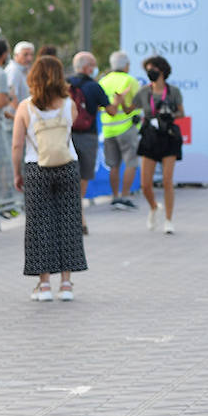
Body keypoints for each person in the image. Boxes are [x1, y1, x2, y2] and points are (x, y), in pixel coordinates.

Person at [12, 55, 87, 301]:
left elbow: (17, 145)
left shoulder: (25, 107)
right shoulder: (69, 104)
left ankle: (44, 285)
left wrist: (17, 173)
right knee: (68, 222)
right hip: (67, 165)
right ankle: (66, 284)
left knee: (39, 225)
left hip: (36, 168)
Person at [133, 55, 186, 234]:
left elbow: (181, 113)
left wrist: (169, 114)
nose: (150, 73)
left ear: (162, 70)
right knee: (146, 184)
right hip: (150, 137)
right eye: (148, 70)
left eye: (153, 69)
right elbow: (129, 108)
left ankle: (169, 220)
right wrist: (120, 102)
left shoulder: (173, 92)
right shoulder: (143, 92)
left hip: (168, 137)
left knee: (167, 180)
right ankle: (154, 206)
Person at [66, 52, 112, 231]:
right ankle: (79, 216)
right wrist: (119, 101)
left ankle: (75, 216)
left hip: (67, 135)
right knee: (83, 176)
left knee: (69, 176)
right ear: (87, 67)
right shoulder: (94, 86)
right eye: (93, 65)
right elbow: (112, 111)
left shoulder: (65, 84)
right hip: (87, 135)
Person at [99, 50, 142, 210]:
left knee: (113, 165)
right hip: (126, 127)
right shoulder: (130, 80)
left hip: (108, 129)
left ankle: (115, 197)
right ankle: (124, 196)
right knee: (131, 163)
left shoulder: (103, 81)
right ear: (126, 66)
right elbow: (137, 103)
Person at [5, 41, 35, 111]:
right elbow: (11, 96)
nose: (29, 58)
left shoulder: (25, 69)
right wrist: (21, 115)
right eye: (25, 55)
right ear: (16, 55)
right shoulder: (13, 70)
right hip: (13, 118)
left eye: (31, 55)